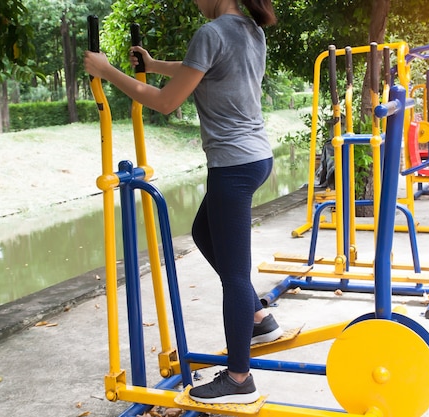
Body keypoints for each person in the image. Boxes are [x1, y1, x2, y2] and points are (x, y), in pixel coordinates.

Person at [83, 0, 283, 405]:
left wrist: (107, 71)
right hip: (256, 157)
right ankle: (259, 319)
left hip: (233, 165)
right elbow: (197, 68)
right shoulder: (250, 30)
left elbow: (164, 102)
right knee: (202, 233)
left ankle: (240, 380)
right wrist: (153, 64)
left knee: (236, 277)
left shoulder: (212, 33)